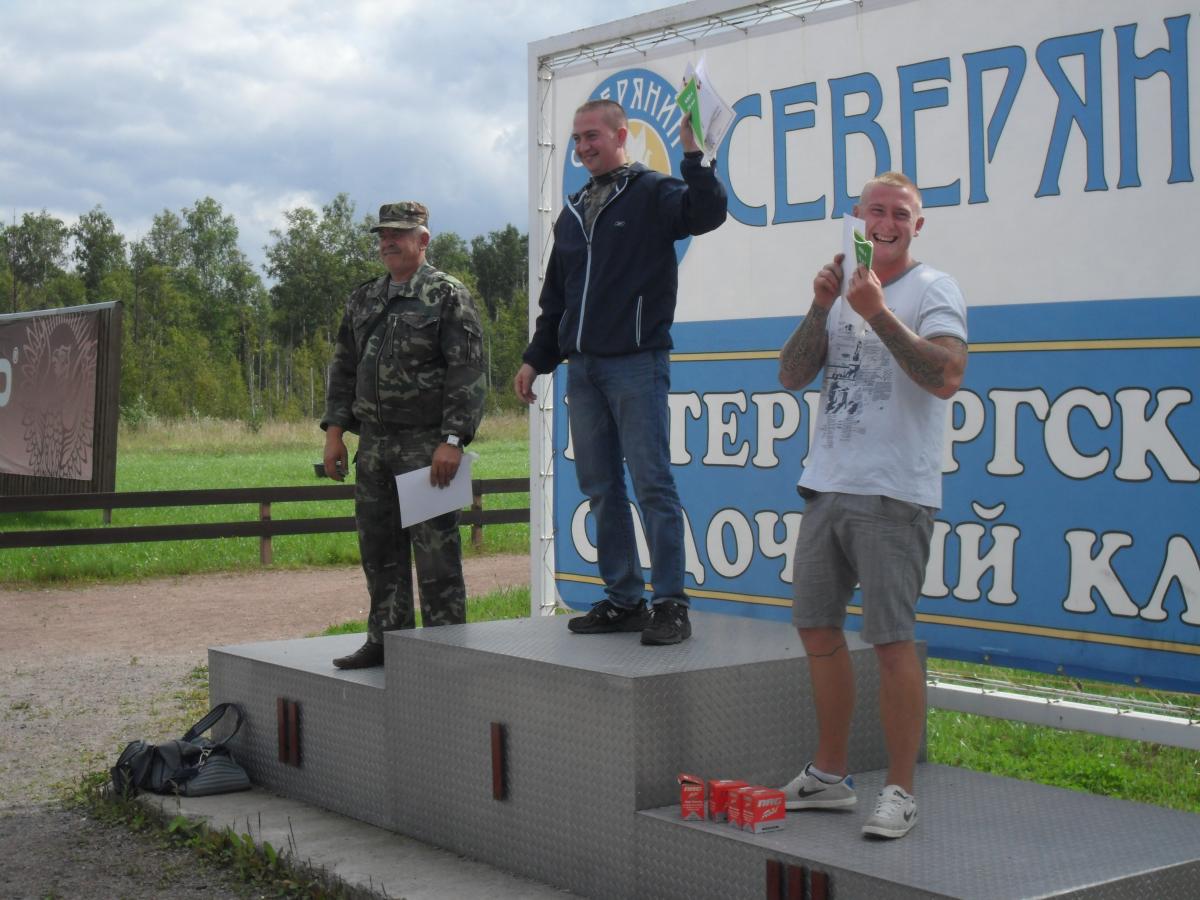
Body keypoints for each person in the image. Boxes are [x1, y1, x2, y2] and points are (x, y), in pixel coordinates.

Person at [775, 172, 968, 838]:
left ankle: (901, 790)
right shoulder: (841, 286)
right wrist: (820, 305)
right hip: (828, 483)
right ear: (858, 216)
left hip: (894, 492)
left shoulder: (934, 288)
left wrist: (878, 312)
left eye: (900, 214)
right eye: (876, 211)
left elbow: (946, 376)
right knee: (816, 629)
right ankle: (830, 776)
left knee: (890, 640)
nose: (886, 223)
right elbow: (791, 374)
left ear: (918, 225)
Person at [513, 99, 727, 646]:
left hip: (636, 362)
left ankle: (670, 603)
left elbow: (706, 214)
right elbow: (556, 299)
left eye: (593, 136)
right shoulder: (573, 210)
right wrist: (536, 358)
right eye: (577, 139)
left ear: (620, 134)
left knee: (653, 483)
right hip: (582, 370)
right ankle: (624, 599)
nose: (584, 147)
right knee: (600, 486)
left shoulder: (653, 191)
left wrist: (693, 156)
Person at [321, 201, 486, 669]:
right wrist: (335, 433)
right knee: (378, 550)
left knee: (436, 555)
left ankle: (445, 650)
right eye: (383, 234)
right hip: (373, 444)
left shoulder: (446, 294)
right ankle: (385, 639)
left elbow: (468, 371)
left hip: (426, 444)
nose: (388, 242)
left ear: (423, 239)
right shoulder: (364, 298)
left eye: (398, 233)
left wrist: (453, 440)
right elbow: (344, 368)